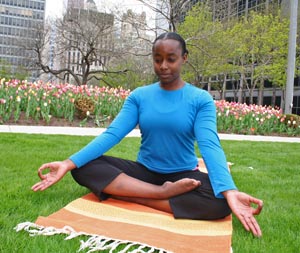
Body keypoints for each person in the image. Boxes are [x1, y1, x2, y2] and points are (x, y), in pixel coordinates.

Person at [32, 32, 263, 237]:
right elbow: (112, 134)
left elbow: (210, 145)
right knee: (83, 167)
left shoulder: (200, 99)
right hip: (143, 173)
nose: (163, 65)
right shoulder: (139, 96)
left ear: (184, 58)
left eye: (171, 59)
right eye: (157, 59)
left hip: (182, 175)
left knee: (221, 202)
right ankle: (158, 194)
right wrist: (67, 163)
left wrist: (229, 191)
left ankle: (131, 195)